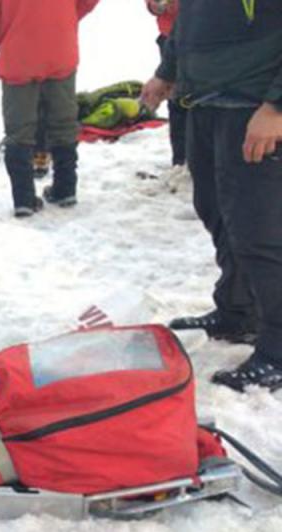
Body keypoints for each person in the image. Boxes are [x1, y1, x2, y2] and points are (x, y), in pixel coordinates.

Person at [142, 0, 282, 391]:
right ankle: (238, 309)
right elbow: (190, 17)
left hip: (255, 105)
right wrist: (167, 71)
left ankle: (278, 348)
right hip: (205, 100)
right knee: (216, 211)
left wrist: (276, 107)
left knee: (259, 229)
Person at [0, 0, 100, 217]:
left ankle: (24, 199)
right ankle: (65, 188)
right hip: (60, 45)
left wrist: (7, 32)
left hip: (19, 52)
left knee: (19, 130)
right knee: (63, 122)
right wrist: (64, 18)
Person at [145, 0, 188, 168]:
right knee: (177, 100)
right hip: (170, 35)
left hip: (209, 38)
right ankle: (181, 161)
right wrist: (154, 5)